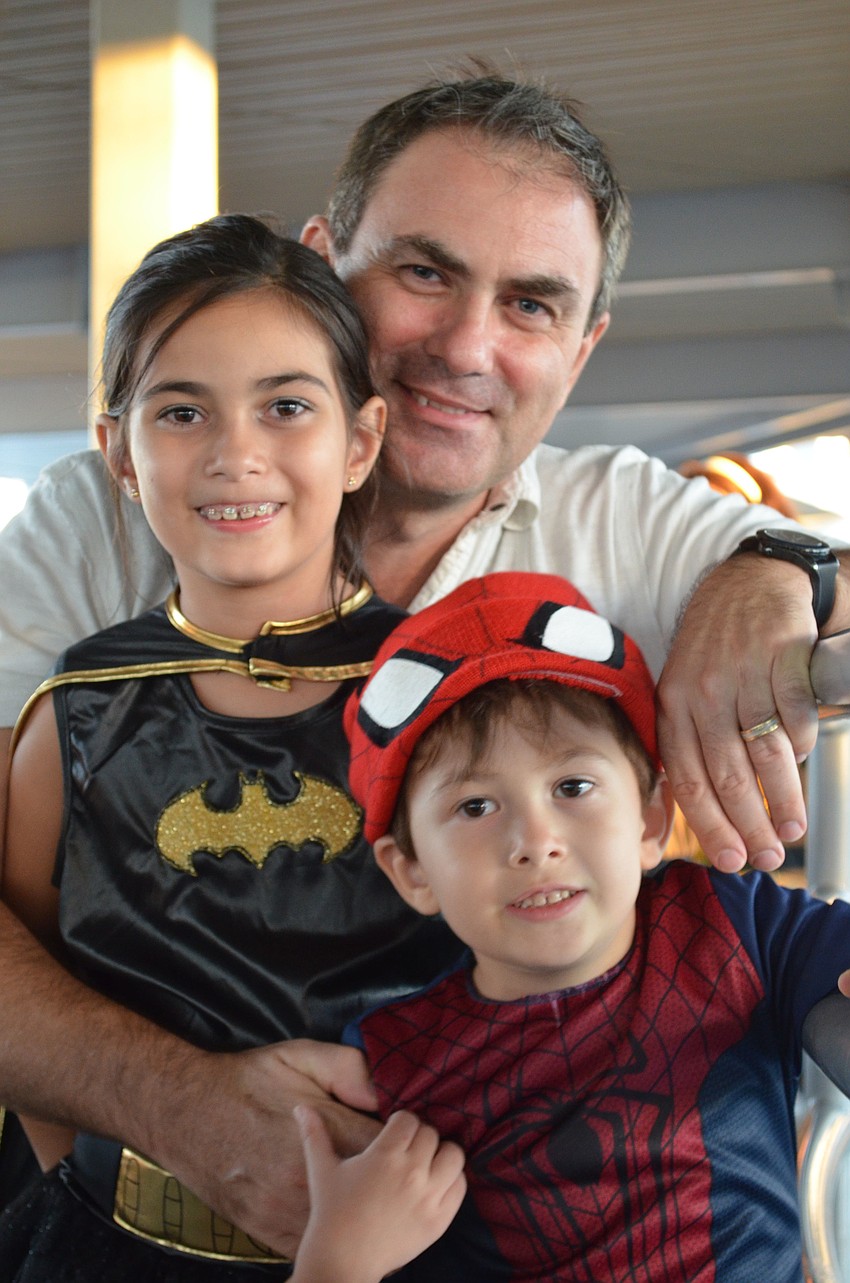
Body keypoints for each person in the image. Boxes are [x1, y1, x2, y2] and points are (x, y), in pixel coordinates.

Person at [0, 66, 847, 1253]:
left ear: (582, 348)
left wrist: (773, 570)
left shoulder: (628, 519)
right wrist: (164, 1114)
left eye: (532, 304)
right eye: (425, 273)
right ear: (323, 261)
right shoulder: (100, 522)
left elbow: (828, 582)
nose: (465, 346)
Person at [0, 213, 472, 1279]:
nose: (235, 454)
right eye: (181, 411)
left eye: (286, 406)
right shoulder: (74, 715)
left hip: (424, 1243)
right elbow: (31, 1013)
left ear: (360, 442)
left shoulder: (446, 694)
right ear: (119, 453)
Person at [299, 570, 850, 1283]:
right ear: (413, 871)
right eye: (475, 806)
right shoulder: (395, 1062)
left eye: (572, 787)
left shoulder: (734, 923)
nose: (536, 841)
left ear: (651, 819)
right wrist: (336, 1262)